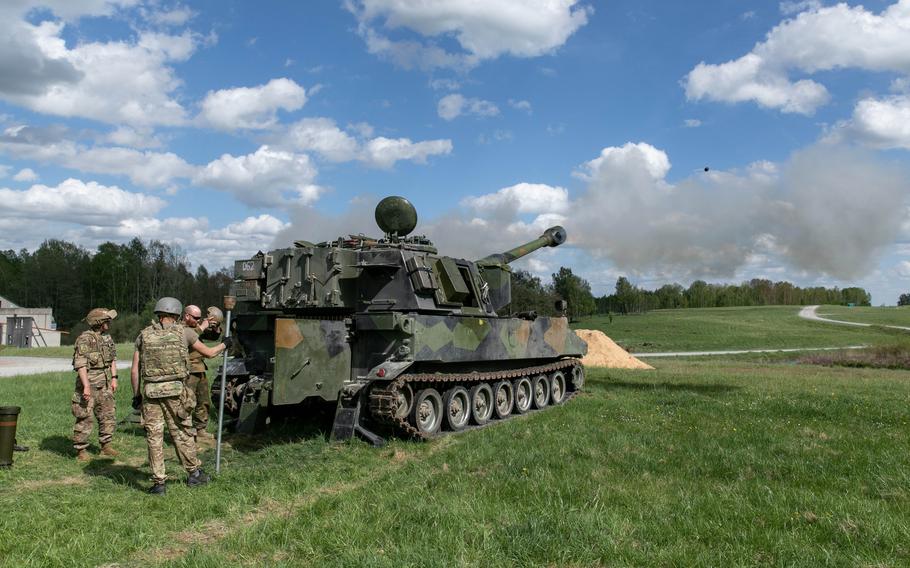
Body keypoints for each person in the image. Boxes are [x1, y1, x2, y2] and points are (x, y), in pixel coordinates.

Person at [130, 297, 232, 495]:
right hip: (176, 393)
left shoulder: (143, 335)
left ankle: (159, 483)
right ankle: (194, 474)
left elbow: (135, 370)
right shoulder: (184, 333)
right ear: (177, 314)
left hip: (151, 393)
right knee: (182, 433)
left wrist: (137, 395)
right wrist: (225, 345)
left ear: (158, 313)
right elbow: (210, 353)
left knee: (154, 437)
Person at [72, 308, 119, 461]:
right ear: (98, 322)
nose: (109, 323)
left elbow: (112, 359)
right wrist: (85, 386)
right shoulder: (85, 339)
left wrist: (114, 377)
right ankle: (81, 450)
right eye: (107, 320)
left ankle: (105, 446)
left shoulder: (107, 338)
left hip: (105, 384)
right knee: (85, 417)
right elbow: (81, 365)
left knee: (107, 415)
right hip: (89, 383)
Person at [182, 305, 224, 443]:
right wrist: (202, 327)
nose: (198, 320)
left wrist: (215, 327)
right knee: (188, 402)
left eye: (200, 318)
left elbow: (212, 337)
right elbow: (188, 339)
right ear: (187, 315)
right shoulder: (179, 328)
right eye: (195, 318)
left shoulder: (197, 327)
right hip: (188, 370)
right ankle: (184, 432)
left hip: (200, 367)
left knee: (203, 401)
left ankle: (201, 430)